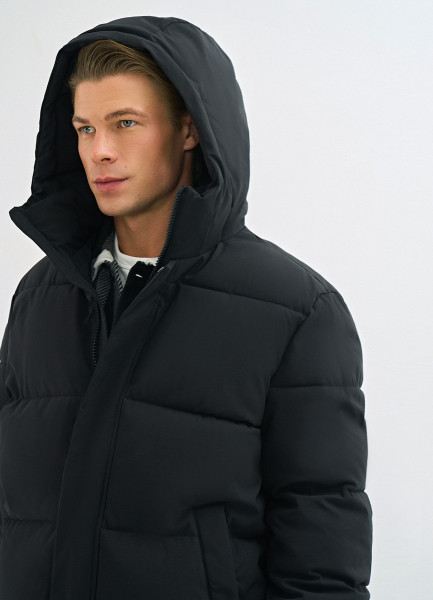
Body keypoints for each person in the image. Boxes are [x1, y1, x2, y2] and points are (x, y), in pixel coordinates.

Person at [0, 15, 372, 600]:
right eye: (84, 128)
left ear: (189, 129)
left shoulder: (297, 311)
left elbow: (321, 551)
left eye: (125, 123)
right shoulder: (38, 296)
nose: (99, 151)